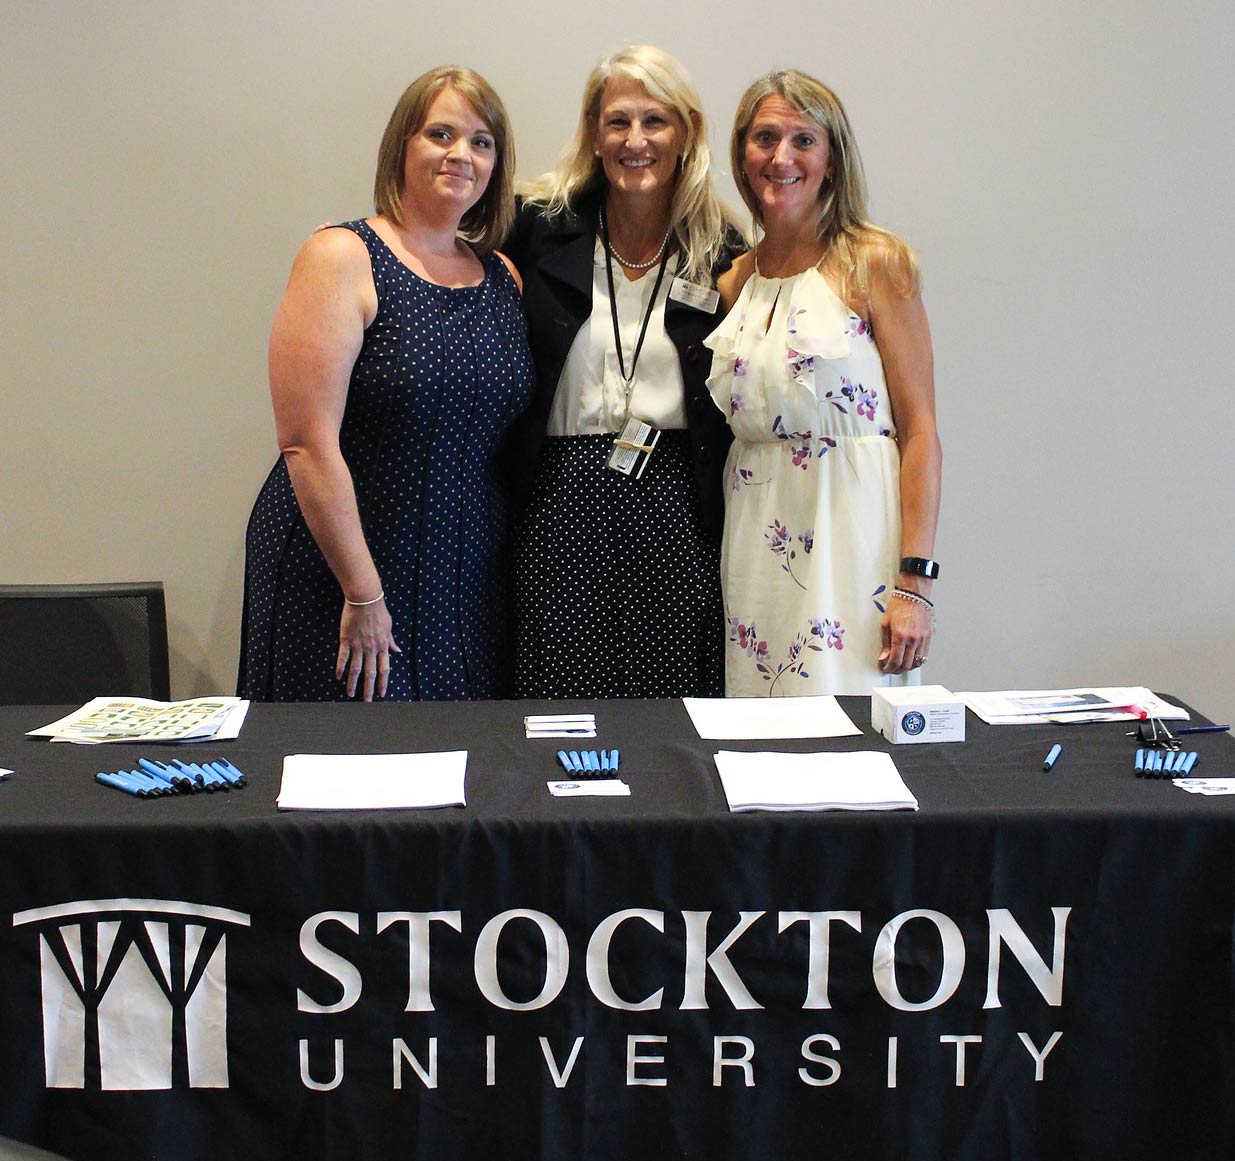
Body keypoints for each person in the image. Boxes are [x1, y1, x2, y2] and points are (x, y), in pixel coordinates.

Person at [238, 67, 533, 702]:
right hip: (346, 572)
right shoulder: (342, 256)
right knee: (344, 778)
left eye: (482, 142)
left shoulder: (504, 275)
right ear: (403, 143)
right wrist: (362, 591)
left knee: (462, 776)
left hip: (464, 573)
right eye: (442, 133)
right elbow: (305, 443)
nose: (462, 155)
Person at [504, 45, 743, 699]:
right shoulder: (536, 230)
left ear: (686, 132)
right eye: (617, 122)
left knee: (665, 701)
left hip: (671, 502)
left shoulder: (721, 252)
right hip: (557, 503)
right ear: (593, 132)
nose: (635, 140)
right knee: (559, 695)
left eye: (654, 121)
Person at [705, 70, 941, 696]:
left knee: (852, 736)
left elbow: (921, 432)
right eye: (765, 138)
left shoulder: (877, 263)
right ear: (742, 155)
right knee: (759, 738)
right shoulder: (735, 283)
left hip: (853, 545)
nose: (781, 157)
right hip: (758, 544)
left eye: (802, 140)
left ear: (832, 160)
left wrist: (915, 584)